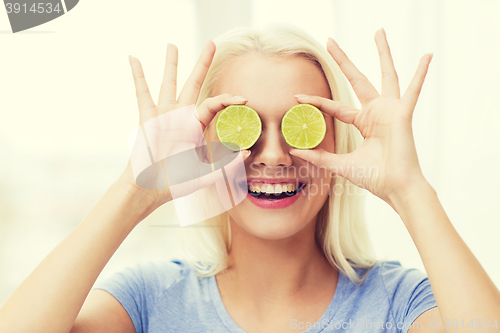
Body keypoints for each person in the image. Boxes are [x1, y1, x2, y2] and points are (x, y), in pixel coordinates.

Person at [0, 23, 499, 333]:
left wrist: (409, 189)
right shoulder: (148, 299)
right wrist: (136, 190)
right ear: (199, 147)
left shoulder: (398, 303)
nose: (275, 155)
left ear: (339, 143)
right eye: (243, 129)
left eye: (301, 127)